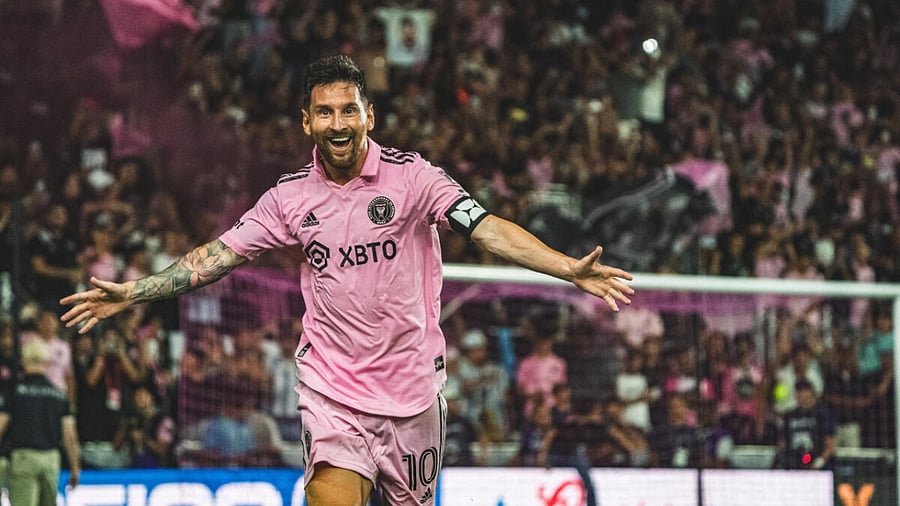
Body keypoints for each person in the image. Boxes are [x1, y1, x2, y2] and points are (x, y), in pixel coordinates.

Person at [59, 55, 634, 505]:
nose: (339, 123)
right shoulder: (289, 198)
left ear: (368, 115)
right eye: (326, 112)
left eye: (349, 110)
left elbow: (484, 229)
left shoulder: (415, 180)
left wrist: (566, 267)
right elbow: (216, 256)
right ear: (308, 121)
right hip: (333, 391)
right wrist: (132, 292)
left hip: (413, 394)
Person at [0, 338, 81, 506]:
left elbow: (1, 426)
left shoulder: (15, 392)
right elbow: (69, 436)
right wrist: (75, 467)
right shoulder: (59, 394)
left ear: (23, 361)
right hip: (51, 459)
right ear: (46, 362)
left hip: (23, 457)